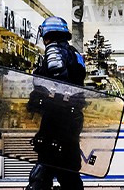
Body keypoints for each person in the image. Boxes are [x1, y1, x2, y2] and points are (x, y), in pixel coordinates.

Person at [25, 16, 86, 190]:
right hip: (72, 120)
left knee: (42, 173)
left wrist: (39, 100)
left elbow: (58, 83)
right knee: (69, 172)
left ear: (47, 33)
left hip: (57, 120)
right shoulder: (74, 53)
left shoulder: (54, 50)